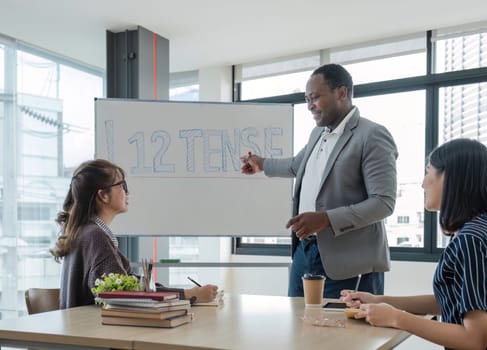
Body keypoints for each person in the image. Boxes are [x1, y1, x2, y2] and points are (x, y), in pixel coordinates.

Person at [241, 63, 398, 297]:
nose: (309, 106)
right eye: (306, 99)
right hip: (305, 253)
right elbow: (296, 165)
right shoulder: (318, 134)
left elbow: (383, 203)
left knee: (342, 333)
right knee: (297, 327)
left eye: (314, 97)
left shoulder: (372, 135)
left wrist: (326, 219)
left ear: (341, 93)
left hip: (349, 262)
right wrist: (261, 163)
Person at [341, 138, 487, 350]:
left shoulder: (471, 239)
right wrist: (379, 301)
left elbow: (474, 339)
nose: (423, 183)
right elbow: (452, 301)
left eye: (428, 172)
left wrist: (397, 318)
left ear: (449, 178)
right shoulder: (481, 228)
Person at [50, 159, 218, 308]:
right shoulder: (95, 236)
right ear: (103, 196)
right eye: (122, 186)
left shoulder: (84, 231)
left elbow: (127, 285)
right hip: (98, 335)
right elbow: (127, 295)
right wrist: (189, 295)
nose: (127, 192)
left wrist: (184, 293)